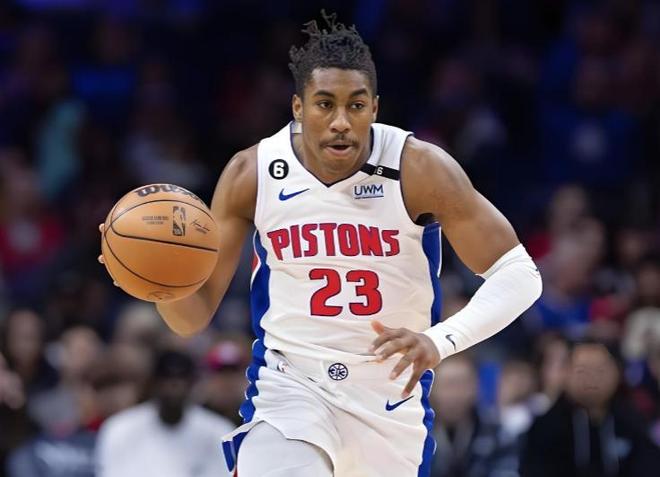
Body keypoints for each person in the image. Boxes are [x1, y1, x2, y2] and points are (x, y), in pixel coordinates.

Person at [98, 11, 542, 477]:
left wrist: (440, 340)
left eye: (356, 105)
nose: (340, 122)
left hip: (389, 402)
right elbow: (191, 318)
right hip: (291, 389)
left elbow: (519, 275)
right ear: (298, 107)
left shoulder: (419, 169)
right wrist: (160, 278)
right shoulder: (252, 174)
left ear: (375, 108)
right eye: (324, 104)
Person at [520, 341, 660, 477]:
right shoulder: (545, 426)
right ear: (566, 374)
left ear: (617, 373)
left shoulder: (632, 423)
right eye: (582, 371)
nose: (592, 378)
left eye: (600, 370)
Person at [94, 349, 234, 477]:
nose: (174, 386)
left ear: (192, 384)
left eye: (181, 379)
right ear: (152, 384)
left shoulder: (219, 431)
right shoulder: (120, 428)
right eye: (166, 379)